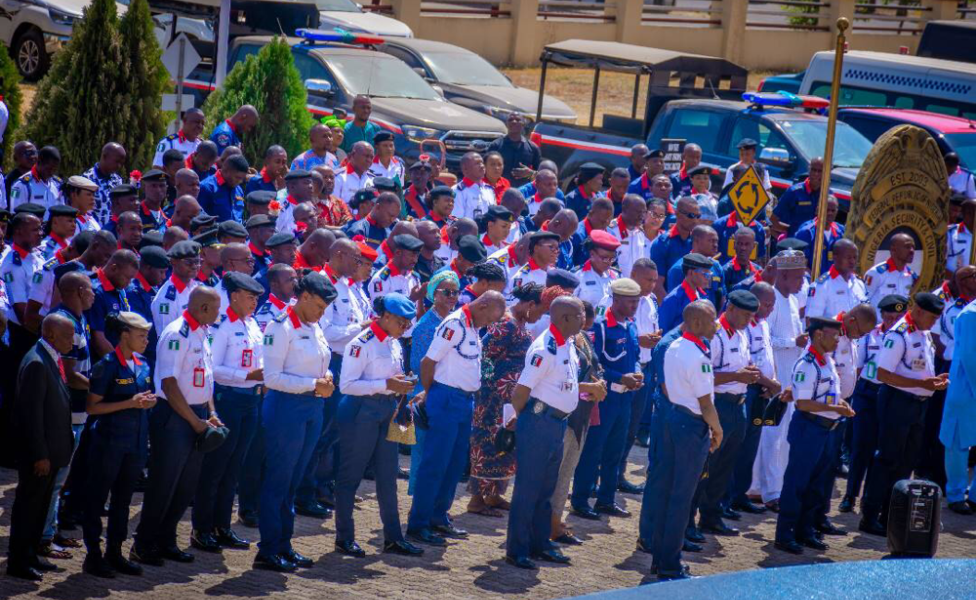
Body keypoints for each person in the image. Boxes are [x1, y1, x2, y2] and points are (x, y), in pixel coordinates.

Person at [131, 286, 222, 566]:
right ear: (203, 308)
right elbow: (169, 384)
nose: (220, 313)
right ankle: (143, 543)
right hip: (173, 416)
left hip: (195, 414)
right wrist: (195, 421)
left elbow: (204, 377)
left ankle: (166, 540)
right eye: (217, 308)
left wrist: (211, 412)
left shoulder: (202, 331)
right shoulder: (176, 333)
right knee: (164, 483)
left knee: (185, 486)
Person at [407, 291, 506, 545]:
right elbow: (428, 363)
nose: (490, 324)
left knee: (453, 465)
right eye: (490, 318)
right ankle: (418, 523)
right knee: (435, 463)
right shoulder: (454, 324)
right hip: (446, 397)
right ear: (482, 305)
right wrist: (429, 394)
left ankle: (439, 516)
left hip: (464, 401)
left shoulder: (473, 326)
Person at [255, 272, 337, 572]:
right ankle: (267, 549)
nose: (321, 312)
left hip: (311, 407)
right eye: (318, 305)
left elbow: (320, 361)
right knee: (278, 480)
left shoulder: (313, 324)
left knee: (293, 481)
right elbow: (272, 378)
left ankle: (284, 545)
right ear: (303, 298)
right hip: (286, 408)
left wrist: (325, 378)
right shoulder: (281, 326)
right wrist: (313, 384)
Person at [332, 293, 422, 557]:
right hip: (361, 411)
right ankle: (344, 538)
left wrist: (400, 383)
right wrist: (386, 384)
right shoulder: (361, 343)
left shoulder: (393, 342)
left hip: (386, 410)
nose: (406, 328)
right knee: (350, 476)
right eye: (402, 322)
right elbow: (347, 385)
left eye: (408, 323)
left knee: (388, 476)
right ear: (385, 317)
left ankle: (394, 538)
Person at [503, 296, 587, 569]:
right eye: (579, 314)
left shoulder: (567, 343)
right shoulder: (546, 348)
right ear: (563, 319)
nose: (583, 318)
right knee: (528, 488)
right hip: (540, 422)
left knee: (546, 489)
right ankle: (518, 549)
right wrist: (516, 420)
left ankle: (540, 543)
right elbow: (521, 390)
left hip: (557, 423)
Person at [859, 292, 949, 536]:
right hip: (898, 402)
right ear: (918, 311)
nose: (933, 323)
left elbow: (917, 369)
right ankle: (870, 515)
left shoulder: (922, 332)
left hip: (917, 404)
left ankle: (891, 514)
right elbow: (883, 375)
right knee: (887, 459)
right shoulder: (900, 335)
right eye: (931, 317)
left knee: (907, 462)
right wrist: (923, 385)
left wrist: (931, 381)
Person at [191, 273, 266, 553]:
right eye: (250, 297)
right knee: (216, 467)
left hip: (251, 401)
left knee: (234, 467)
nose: (255, 302)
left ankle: (222, 527)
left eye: (257, 298)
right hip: (229, 399)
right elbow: (213, 368)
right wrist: (246, 374)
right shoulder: (222, 326)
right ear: (234, 297)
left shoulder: (252, 324)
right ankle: (202, 528)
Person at [648, 300, 721, 581]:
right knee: (681, 497)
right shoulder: (697, 355)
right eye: (713, 319)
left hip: (671, 420)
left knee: (666, 493)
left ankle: (660, 559)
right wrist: (718, 430)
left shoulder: (674, 346)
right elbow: (705, 404)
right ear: (697, 324)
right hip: (690, 427)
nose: (717, 324)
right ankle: (670, 564)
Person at [82, 312, 155, 578]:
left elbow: (140, 398)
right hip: (109, 443)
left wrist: (148, 402)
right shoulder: (107, 365)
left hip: (134, 444)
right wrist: (130, 403)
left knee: (124, 501)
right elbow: (92, 407)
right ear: (124, 335)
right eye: (141, 335)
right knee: (96, 499)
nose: (146, 340)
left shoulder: (144, 363)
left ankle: (115, 551)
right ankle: (93, 554)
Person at [774, 317, 854, 555]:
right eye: (834, 334)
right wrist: (838, 409)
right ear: (818, 335)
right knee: (797, 483)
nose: (838, 339)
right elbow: (803, 403)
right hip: (808, 428)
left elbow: (827, 394)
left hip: (825, 430)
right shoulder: (807, 364)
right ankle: (785, 534)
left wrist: (839, 404)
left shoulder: (826, 361)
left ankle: (805, 531)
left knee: (816, 485)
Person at [6, 313, 75, 581]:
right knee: (28, 508)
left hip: (52, 452)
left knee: (40, 507)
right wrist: (40, 454)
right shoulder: (36, 362)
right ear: (50, 335)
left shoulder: (49, 356)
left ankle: (31, 555)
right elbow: (30, 415)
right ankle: (19, 561)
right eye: (68, 336)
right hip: (40, 455)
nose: (73, 341)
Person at [467, 283, 546, 517]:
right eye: (540, 311)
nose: (540, 317)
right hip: (492, 399)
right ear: (530, 304)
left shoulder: (520, 323)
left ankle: (493, 495)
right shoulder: (506, 324)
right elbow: (485, 357)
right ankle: (476, 499)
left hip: (509, 399)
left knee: (504, 445)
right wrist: (491, 389)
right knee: (488, 445)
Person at [694, 290, 764, 537]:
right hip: (720, 404)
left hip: (739, 403)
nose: (748, 320)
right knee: (706, 465)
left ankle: (712, 515)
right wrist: (737, 376)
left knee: (725, 465)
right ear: (730, 308)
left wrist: (749, 372)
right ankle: (690, 521)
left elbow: (738, 367)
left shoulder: (742, 334)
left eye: (751, 316)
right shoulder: (715, 335)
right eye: (745, 315)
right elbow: (704, 376)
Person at [570, 278, 642, 519]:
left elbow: (636, 356)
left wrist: (637, 372)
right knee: (593, 450)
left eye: (637, 301)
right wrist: (622, 378)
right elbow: (594, 365)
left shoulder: (630, 326)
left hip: (625, 399)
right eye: (630, 301)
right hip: (606, 398)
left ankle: (606, 499)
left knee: (615, 451)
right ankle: (580, 500)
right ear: (617, 300)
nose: (635, 305)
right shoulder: (601, 327)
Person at [839, 294, 908, 513]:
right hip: (867, 393)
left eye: (898, 316)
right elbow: (858, 367)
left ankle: (869, 498)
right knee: (860, 447)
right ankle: (850, 495)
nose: (892, 319)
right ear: (882, 314)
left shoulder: (905, 337)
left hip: (889, 395)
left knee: (880, 450)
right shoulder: (870, 336)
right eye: (889, 315)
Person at [755, 249, 807, 511]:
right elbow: (767, 340)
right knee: (772, 434)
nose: (801, 283)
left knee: (782, 434)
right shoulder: (772, 299)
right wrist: (792, 342)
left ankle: (765, 487)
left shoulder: (793, 300)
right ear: (784, 276)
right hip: (774, 378)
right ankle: (771, 491)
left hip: (790, 378)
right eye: (798, 278)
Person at [941, 290, 976, 514]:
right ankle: (955, 495)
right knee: (957, 442)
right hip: (966, 387)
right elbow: (970, 356)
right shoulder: (971, 314)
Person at [665, 225, 725, 309]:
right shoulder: (679, 269)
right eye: (711, 241)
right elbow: (674, 302)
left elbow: (722, 298)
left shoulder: (717, 267)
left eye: (716, 241)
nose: (715, 245)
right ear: (696, 241)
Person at [805, 238, 866, 320]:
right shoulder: (821, 286)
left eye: (855, 257)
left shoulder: (859, 284)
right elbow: (811, 321)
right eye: (848, 257)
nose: (852, 261)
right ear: (835, 257)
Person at [864, 233, 919, 312]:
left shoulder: (911, 276)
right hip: (878, 323)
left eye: (913, 247)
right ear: (893, 249)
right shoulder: (876, 273)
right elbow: (863, 301)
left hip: (898, 323)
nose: (912, 251)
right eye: (907, 247)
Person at [658, 253, 711, 333]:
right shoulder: (673, 300)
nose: (707, 278)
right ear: (691, 273)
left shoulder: (703, 296)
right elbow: (662, 333)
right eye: (705, 274)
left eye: (709, 275)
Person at [771, 158, 823, 238]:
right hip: (796, 243)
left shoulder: (827, 195)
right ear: (809, 170)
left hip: (816, 243)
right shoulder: (794, 192)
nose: (816, 174)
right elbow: (773, 219)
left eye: (820, 171)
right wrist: (790, 232)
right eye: (813, 170)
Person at [649, 196, 700, 277]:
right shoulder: (662, 244)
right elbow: (657, 285)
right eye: (691, 215)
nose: (695, 220)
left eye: (698, 216)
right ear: (677, 214)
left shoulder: (698, 241)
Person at [487, 112, 540, 188]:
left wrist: (530, 173)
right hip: (499, 192)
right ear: (506, 124)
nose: (514, 122)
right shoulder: (495, 146)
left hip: (523, 194)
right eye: (510, 119)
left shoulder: (533, 148)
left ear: (523, 124)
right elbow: (486, 170)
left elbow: (541, 175)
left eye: (518, 120)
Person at [795, 195, 845, 271]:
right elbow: (799, 263)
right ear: (818, 209)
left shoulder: (841, 231)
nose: (830, 213)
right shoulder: (807, 233)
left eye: (833, 210)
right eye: (827, 210)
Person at [573, 230, 620, 308]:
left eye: (612, 258)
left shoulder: (617, 276)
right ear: (592, 254)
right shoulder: (577, 276)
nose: (609, 262)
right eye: (605, 258)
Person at [607, 195, 649, 279]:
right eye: (638, 212)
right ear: (625, 209)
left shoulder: (641, 233)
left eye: (644, 212)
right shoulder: (611, 231)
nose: (642, 216)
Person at [198, 154, 248, 223]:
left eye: (242, 179)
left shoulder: (238, 190)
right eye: (237, 177)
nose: (240, 181)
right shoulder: (206, 188)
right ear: (226, 171)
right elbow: (199, 219)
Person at [10, 146, 62, 211]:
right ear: (39, 162)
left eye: (54, 170)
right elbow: (15, 213)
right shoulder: (21, 185)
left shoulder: (57, 184)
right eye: (49, 169)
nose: (51, 173)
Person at [453, 152, 496, 221]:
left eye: (482, 163)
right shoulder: (458, 190)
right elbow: (456, 220)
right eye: (477, 163)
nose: (482, 166)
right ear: (465, 169)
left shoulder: (489, 189)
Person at [946, 198, 974, 276]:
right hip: (952, 284)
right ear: (963, 214)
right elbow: (940, 263)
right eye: (969, 213)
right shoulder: (950, 233)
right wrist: (959, 281)